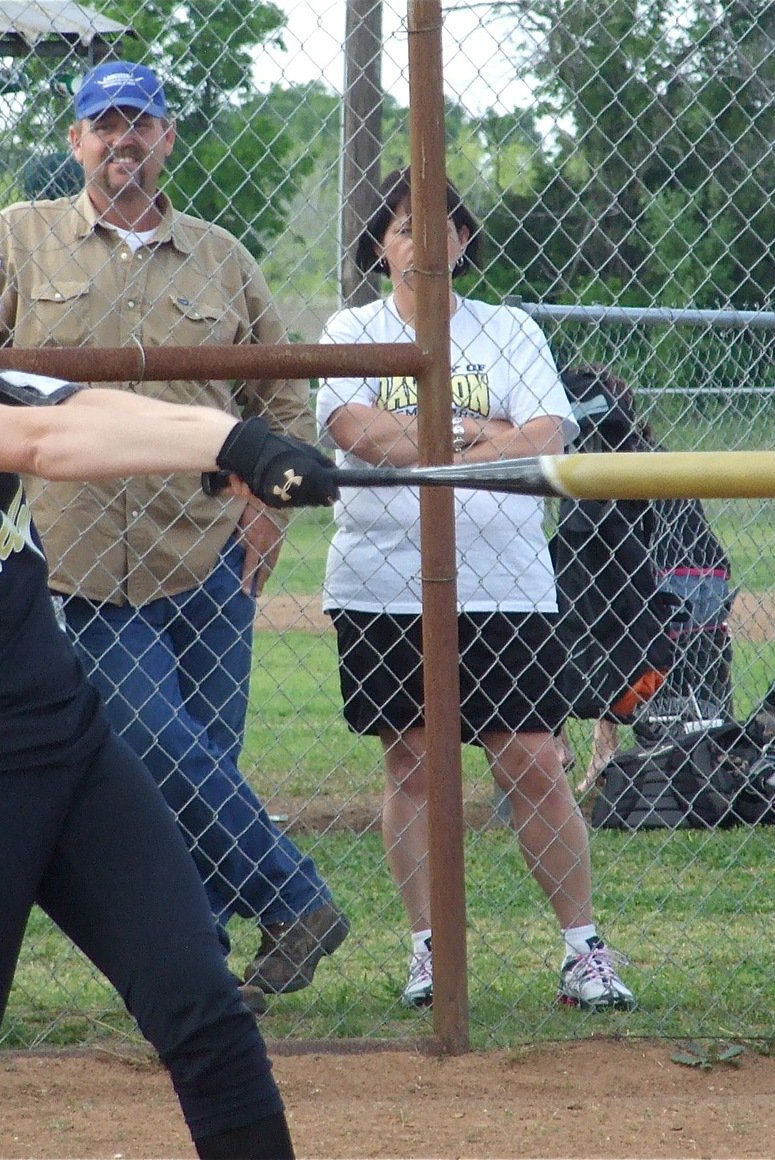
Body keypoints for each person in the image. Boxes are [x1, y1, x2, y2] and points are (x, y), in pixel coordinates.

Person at [0, 147, 336, 1159]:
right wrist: (230, 447)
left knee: (205, 1015)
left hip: (73, 747)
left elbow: (77, 407)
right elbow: (43, 447)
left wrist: (244, 439)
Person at [0, 59, 349, 999]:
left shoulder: (222, 258)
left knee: (202, 765)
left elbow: (282, 398)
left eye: (140, 123)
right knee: (155, 744)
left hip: (206, 553)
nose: (122, 141)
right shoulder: (15, 242)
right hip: (76, 558)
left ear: (168, 137)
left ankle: (203, 984)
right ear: (75, 142)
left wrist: (266, 513)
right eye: (104, 126)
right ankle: (295, 897)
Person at [315, 168, 636, 1013]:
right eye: (403, 227)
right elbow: (357, 432)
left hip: (506, 580)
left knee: (531, 757)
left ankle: (582, 949)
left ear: (464, 242)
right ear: (380, 247)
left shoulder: (510, 329)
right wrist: (481, 438)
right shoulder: (351, 329)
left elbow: (547, 433)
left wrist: (442, 447)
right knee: (414, 761)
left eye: (441, 225)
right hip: (385, 581)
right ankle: (428, 950)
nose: (424, 241)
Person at [557, 366, 734, 791]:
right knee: (604, 617)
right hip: (707, 584)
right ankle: (604, 749)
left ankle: (570, 749)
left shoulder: (596, 471)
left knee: (571, 620)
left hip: (664, 590)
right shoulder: (651, 453)